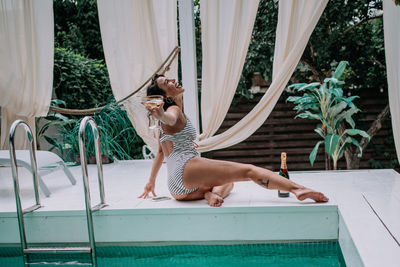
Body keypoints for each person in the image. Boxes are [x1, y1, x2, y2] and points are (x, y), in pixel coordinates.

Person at [138, 74, 329, 207]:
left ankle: (210, 193)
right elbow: (168, 118)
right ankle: (299, 190)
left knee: (229, 181)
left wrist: (150, 181)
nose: (172, 79)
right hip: (185, 170)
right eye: (166, 82)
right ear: (164, 96)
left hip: (178, 190)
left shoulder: (175, 111)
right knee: (247, 171)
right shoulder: (173, 111)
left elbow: (162, 151)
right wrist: (161, 114)